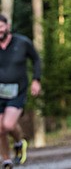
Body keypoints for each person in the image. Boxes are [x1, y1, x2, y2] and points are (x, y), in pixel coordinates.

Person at [0, 14, 41, 168]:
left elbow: (36, 59)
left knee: (8, 125)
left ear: (7, 27)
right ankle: (6, 160)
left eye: (1, 27)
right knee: (0, 129)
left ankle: (19, 142)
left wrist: (36, 80)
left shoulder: (22, 42)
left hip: (17, 91)